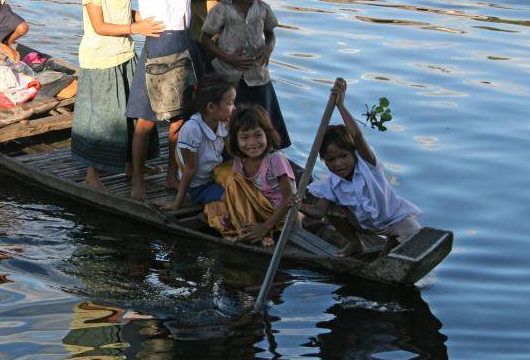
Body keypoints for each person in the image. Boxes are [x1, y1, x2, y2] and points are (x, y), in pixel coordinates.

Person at [71, 0, 165, 191]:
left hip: (125, 55)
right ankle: (92, 175)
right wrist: (135, 27)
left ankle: (130, 164)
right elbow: (99, 25)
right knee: (101, 118)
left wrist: (144, 20)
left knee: (129, 113)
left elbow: (124, 11)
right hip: (101, 60)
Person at [126, 0, 207, 202]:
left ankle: (173, 174)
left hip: (182, 43)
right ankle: (138, 179)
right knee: (146, 121)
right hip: (158, 45)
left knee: (179, 119)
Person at [300, 78, 422, 257]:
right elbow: (318, 212)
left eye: (344, 156)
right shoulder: (331, 185)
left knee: (415, 236)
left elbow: (356, 135)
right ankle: (354, 242)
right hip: (365, 226)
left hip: (394, 219)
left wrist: (340, 105)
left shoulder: (368, 165)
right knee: (332, 209)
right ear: (324, 161)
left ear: (353, 153)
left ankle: (391, 243)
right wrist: (294, 204)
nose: (338, 164)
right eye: (331, 159)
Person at [201, 0, 291, 148]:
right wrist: (228, 58)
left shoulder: (262, 9)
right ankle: (229, 153)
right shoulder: (222, 10)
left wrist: (268, 49)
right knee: (231, 118)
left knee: (262, 116)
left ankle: (265, 152)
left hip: (256, 74)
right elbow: (206, 40)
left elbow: (271, 35)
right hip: (229, 75)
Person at [205, 105, 296, 246]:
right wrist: (231, 211)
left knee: (234, 181)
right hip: (257, 209)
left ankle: (260, 232)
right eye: (244, 137)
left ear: (267, 134)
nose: (252, 143)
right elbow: (236, 192)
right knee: (227, 189)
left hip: (279, 214)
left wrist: (265, 227)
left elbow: (290, 198)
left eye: (258, 135)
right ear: (236, 140)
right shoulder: (240, 160)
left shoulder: (275, 160)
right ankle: (248, 227)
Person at [159, 74, 236, 211]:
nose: (234, 108)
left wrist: (232, 131)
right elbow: (190, 169)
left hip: (215, 175)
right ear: (211, 107)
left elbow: (232, 152)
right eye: (230, 104)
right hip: (199, 186)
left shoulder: (221, 123)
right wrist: (177, 204)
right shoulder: (193, 129)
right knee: (234, 199)